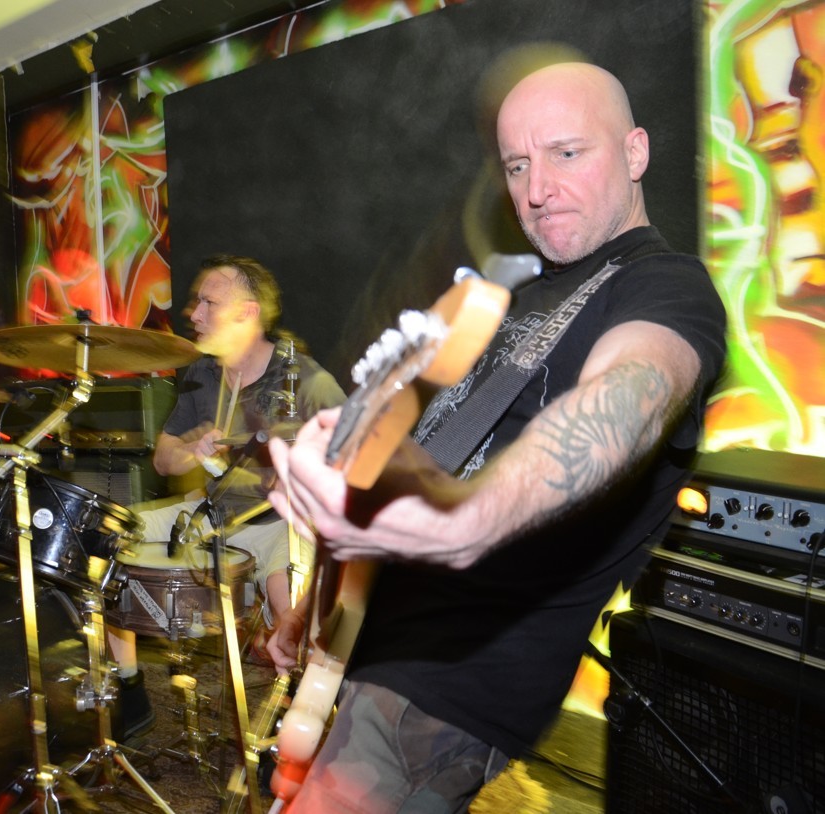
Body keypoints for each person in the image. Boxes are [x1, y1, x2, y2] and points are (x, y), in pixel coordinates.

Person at [264, 62, 728, 812]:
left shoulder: (666, 287)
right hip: (376, 640)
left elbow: (630, 395)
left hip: (449, 684)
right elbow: (422, 462)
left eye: (566, 153)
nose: (536, 189)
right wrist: (317, 605)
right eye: (517, 165)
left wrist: (465, 522)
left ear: (635, 151)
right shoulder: (511, 298)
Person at [107, 255, 345, 738]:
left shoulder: (305, 379)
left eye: (208, 303)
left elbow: (356, 459)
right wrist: (191, 451)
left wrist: (307, 478)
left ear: (246, 313)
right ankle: (130, 690)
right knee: (108, 539)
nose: (193, 313)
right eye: (196, 302)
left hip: (279, 522)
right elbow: (163, 461)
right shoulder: (202, 374)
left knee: (291, 609)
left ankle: (298, 722)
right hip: (212, 513)